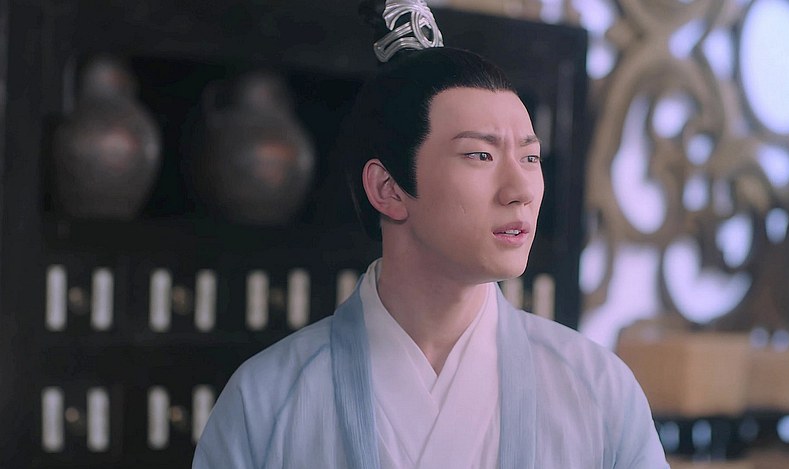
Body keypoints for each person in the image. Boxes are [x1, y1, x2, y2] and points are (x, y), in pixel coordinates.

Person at [193, 0, 669, 467]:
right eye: (480, 155)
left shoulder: (599, 390)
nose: (521, 190)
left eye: (530, 157)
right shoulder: (266, 400)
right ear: (388, 188)